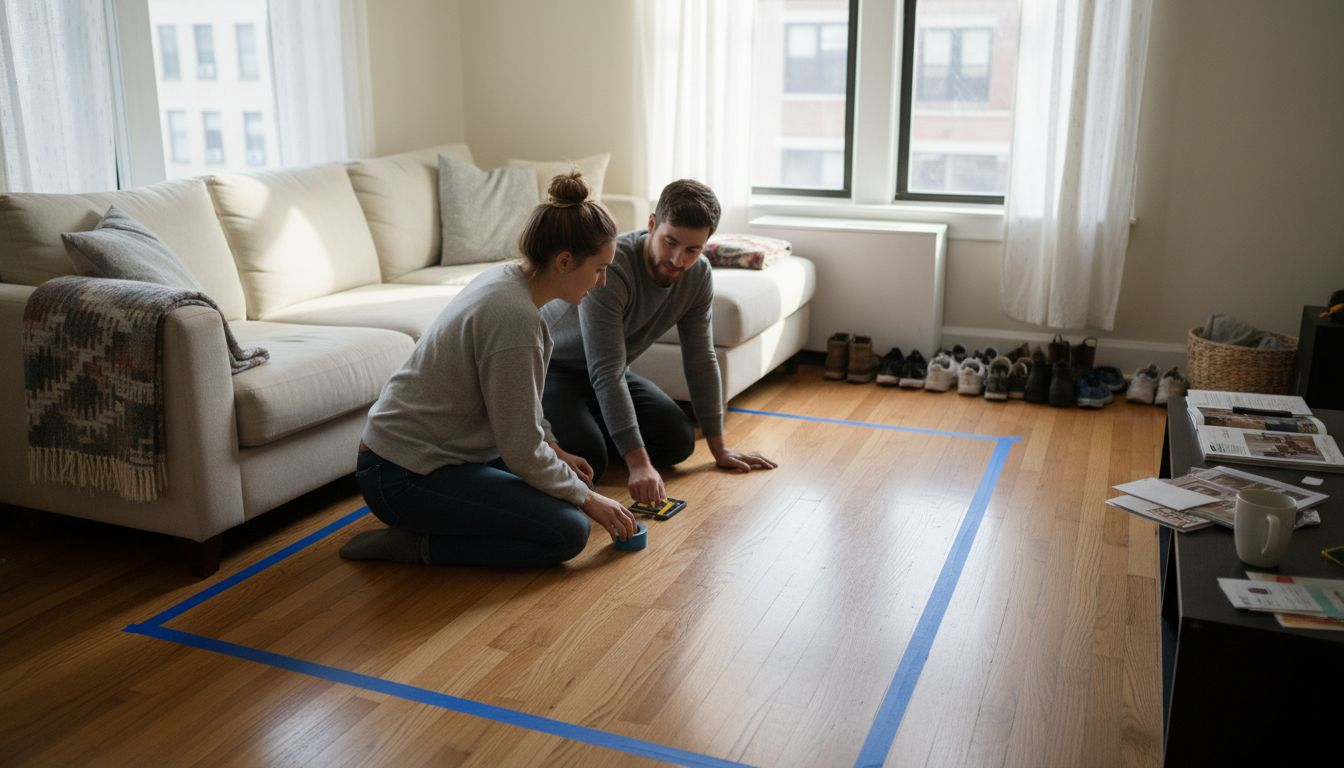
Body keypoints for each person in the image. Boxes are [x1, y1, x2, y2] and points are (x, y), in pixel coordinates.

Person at [341, 173, 638, 567]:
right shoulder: (514, 318)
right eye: (599, 268)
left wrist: (554, 448)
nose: (602, 282)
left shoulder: (509, 280)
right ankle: (417, 546)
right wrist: (588, 499)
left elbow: (521, 406)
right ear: (565, 261)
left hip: (425, 458)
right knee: (568, 530)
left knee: (566, 486)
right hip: (401, 476)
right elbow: (520, 448)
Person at [542, 179, 777, 507]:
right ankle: (547, 432)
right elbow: (605, 372)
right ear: (652, 224)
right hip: (553, 370)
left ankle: (597, 427)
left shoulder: (698, 276)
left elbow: (701, 358)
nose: (678, 260)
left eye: (693, 250)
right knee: (590, 457)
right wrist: (638, 464)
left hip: (610, 372)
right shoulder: (611, 268)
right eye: (670, 242)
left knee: (678, 440)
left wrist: (719, 448)